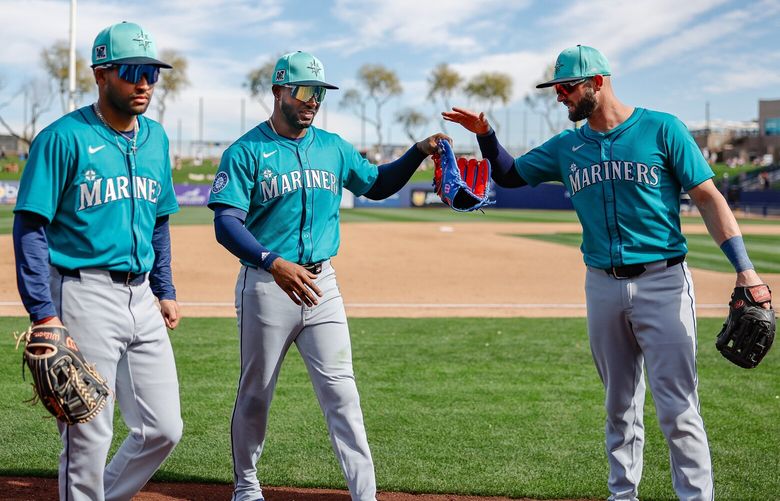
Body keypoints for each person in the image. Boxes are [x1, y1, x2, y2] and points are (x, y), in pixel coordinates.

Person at [444, 45, 770, 501]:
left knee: (679, 410)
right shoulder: (567, 146)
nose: (559, 96)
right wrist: (486, 134)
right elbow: (511, 175)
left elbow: (710, 198)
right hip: (601, 285)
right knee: (619, 406)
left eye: (566, 87)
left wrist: (746, 271)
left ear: (597, 82)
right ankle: (622, 496)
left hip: (664, 282)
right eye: (556, 88)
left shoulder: (663, 129)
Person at [208, 50, 449, 501]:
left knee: (343, 394)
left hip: (323, 286)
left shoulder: (333, 148)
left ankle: (365, 495)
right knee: (256, 392)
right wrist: (271, 261)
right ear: (279, 89)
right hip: (266, 285)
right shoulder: (245, 152)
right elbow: (226, 222)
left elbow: (376, 184)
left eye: (319, 93)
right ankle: (246, 485)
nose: (312, 100)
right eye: (303, 90)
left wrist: (417, 151)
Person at [13, 21, 182, 501]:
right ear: (101, 74)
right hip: (83, 292)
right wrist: (43, 312)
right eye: (132, 71)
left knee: (162, 429)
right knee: (88, 436)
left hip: (142, 296)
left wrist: (165, 289)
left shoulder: (156, 139)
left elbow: (159, 222)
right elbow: (29, 228)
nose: (144, 82)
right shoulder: (61, 138)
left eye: (152, 72)